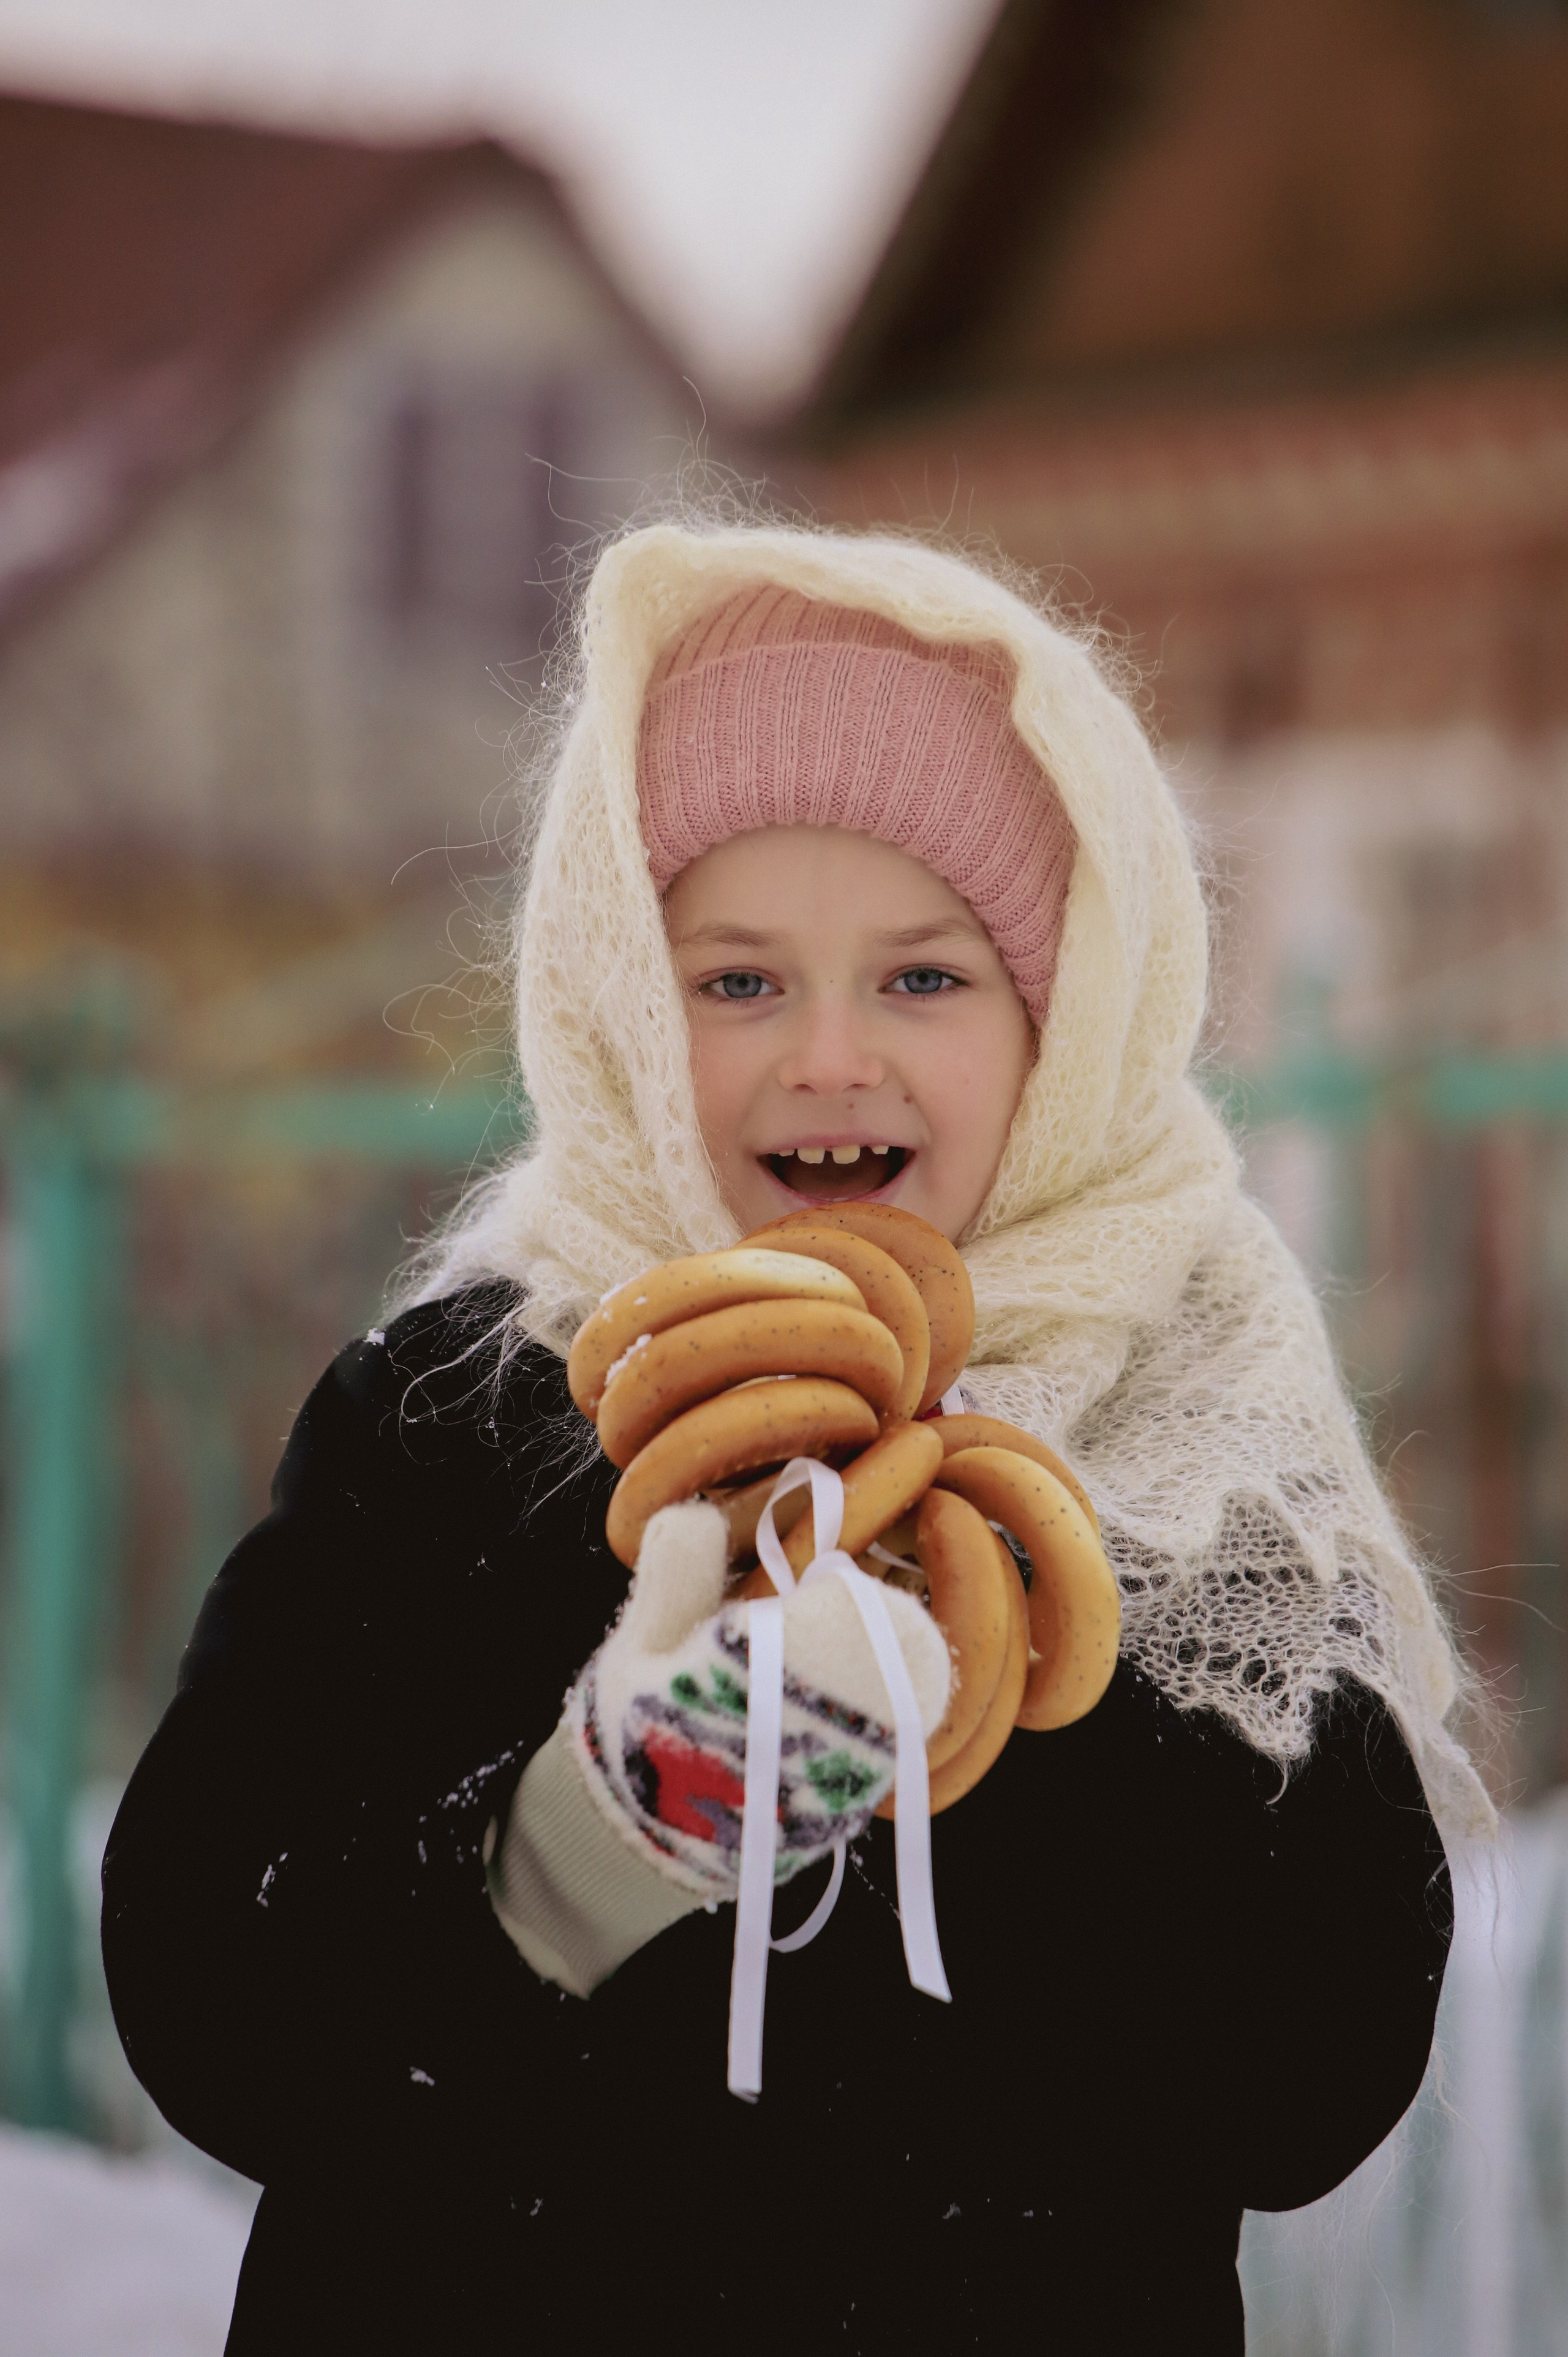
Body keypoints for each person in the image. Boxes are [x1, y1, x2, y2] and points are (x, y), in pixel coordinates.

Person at [102, 519, 1488, 2353]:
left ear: (1061, 1023)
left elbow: (1312, 2077)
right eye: (736, 980)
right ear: (618, 998)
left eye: (926, 977)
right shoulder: (464, 1413)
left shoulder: (1199, 1455)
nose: (829, 1057)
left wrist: (994, 1716)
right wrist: (597, 1838)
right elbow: (215, 1992)